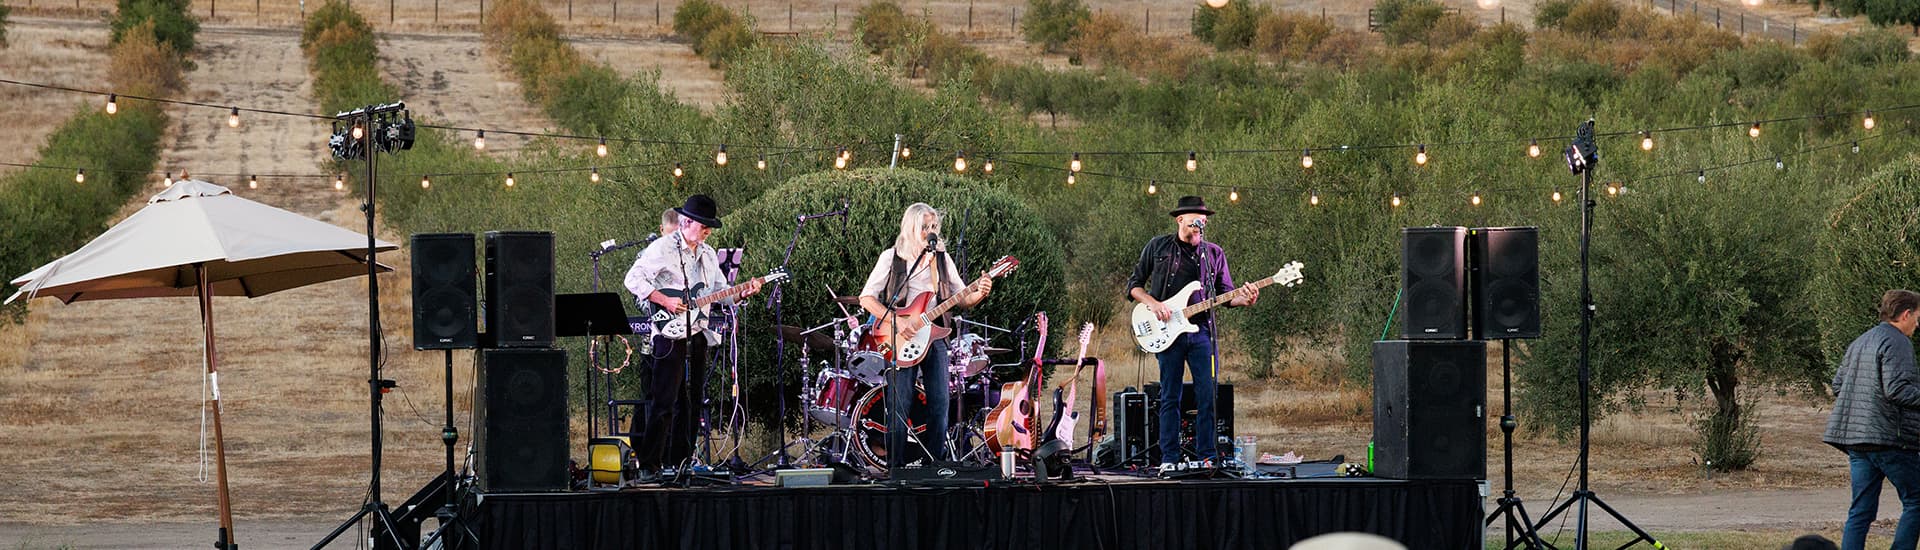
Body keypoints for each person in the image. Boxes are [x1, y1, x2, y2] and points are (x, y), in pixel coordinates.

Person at [624, 194, 762, 475]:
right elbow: (632, 279)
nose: (708, 231)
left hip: (698, 331)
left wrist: (741, 292)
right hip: (668, 332)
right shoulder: (662, 248)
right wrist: (664, 300)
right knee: (664, 401)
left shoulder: (709, 254)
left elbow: (719, 292)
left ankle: (681, 462)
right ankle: (650, 464)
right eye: (703, 226)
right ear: (687, 222)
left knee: (693, 401)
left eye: (709, 227)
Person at [1126, 195, 1256, 471]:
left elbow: (1226, 294)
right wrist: (1154, 304)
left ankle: (1207, 456)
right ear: (1180, 219)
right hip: (1166, 332)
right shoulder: (1158, 246)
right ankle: (1169, 459)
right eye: (1195, 218)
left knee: (1207, 394)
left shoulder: (1213, 254)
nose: (1201, 222)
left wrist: (1243, 299)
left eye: (1204, 219)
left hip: (1201, 333)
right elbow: (1134, 286)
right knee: (1170, 395)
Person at [859, 203, 993, 468]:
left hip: (935, 337)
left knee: (940, 403)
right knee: (899, 403)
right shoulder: (892, 257)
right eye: (925, 227)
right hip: (900, 337)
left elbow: (963, 297)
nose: (931, 232)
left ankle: (935, 465)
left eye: (934, 227)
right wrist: (897, 319)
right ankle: (896, 468)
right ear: (911, 227)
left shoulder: (942, 259)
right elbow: (866, 298)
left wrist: (981, 292)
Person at [1825, 289, 1920, 550]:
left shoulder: (1860, 342)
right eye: (1917, 317)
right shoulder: (1898, 342)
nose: (1917, 324)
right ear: (1906, 314)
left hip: (1857, 440)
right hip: (1891, 438)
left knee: (1861, 510)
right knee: (1916, 500)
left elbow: (1838, 385)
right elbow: (1897, 389)